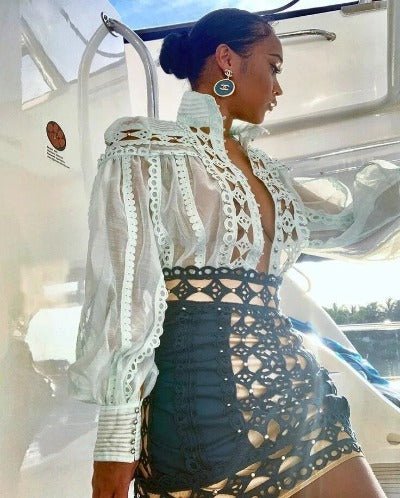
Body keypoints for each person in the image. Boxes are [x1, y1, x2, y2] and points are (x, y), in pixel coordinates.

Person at [67, 7, 398, 498]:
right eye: (273, 67)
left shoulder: (267, 170)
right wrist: (116, 441)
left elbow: (351, 221)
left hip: (300, 394)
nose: (278, 88)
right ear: (227, 59)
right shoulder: (146, 149)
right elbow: (126, 297)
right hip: (203, 409)